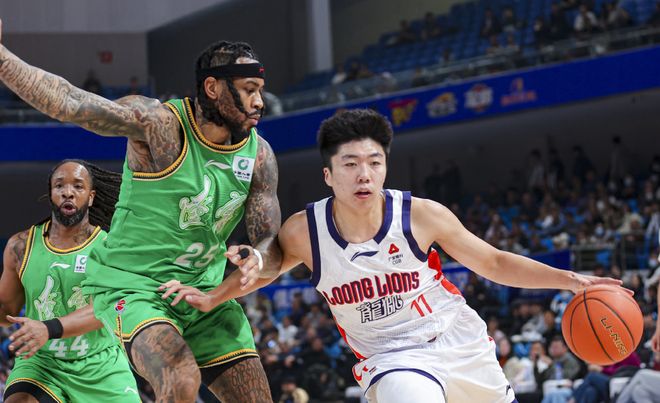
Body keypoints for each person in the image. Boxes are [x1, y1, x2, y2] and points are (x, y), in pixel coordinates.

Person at [162, 109, 628, 402]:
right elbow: (264, 270)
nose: (364, 175)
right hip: (390, 357)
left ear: (385, 167)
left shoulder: (422, 215)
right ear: (328, 175)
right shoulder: (306, 231)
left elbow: (493, 262)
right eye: (350, 164)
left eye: (374, 163)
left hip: (457, 340)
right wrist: (213, 295)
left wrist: (572, 280)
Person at [0, 22, 282, 402]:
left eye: (260, 90)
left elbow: (269, 238)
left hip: (202, 292)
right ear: (213, 88)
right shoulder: (161, 125)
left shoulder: (259, 155)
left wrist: (257, 257)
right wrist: (2, 60)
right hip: (134, 288)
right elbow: (69, 101)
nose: (259, 102)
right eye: (249, 90)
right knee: (180, 379)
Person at [0, 160, 140, 402]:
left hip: (100, 365)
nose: (68, 192)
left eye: (78, 186)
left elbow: (104, 309)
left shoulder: (109, 248)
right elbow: (7, 311)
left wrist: (48, 328)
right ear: (51, 194)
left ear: (91, 197)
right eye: (59, 186)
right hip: (42, 363)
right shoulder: (20, 247)